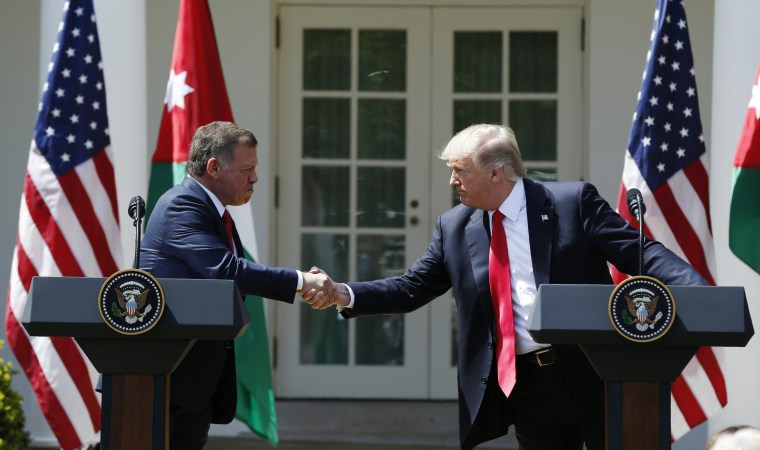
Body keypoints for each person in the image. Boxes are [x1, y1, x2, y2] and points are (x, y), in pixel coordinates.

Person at [303, 124, 709, 450]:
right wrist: (342, 292)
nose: (451, 181)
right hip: (526, 387)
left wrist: (700, 293)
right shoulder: (455, 227)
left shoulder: (571, 202)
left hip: (594, 373)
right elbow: (412, 287)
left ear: (496, 172)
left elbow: (641, 255)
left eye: (459, 170)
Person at [140, 121, 336, 450]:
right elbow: (226, 270)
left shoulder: (214, 212)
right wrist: (302, 281)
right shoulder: (182, 206)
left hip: (191, 382)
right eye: (247, 169)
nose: (255, 178)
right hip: (164, 379)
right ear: (214, 167)